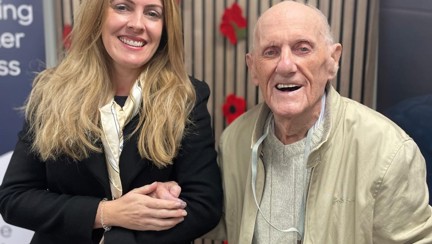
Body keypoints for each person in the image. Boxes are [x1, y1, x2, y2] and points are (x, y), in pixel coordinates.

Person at [207, 1, 432, 243]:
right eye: (271, 51)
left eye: (302, 49)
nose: (285, 65)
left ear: (332, 60)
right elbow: (215, 219)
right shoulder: (234, 141)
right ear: (253, 68)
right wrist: (172, 198)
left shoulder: (388, 151)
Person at [0, 0, 222, 244]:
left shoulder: (186, 97)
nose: (137, 24)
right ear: (97, 15)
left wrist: (119, 239)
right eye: (123, 7)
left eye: (152, 13)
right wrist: (107, 213)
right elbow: (14, 198)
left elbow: (204, 205)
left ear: (165, 27)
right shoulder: (52, 92)